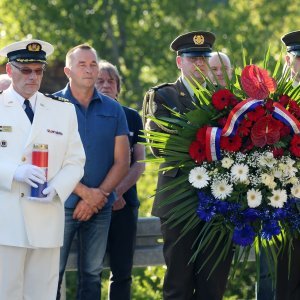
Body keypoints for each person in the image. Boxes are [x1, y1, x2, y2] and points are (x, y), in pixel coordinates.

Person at [143, 31, 234, 300]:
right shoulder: (164, 96)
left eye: (204, 59)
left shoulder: (225, 99)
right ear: (179, 62)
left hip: (219, 202)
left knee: (213, 285)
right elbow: (161, 145)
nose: (199, 65)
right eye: (192, 59)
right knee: (178, 285)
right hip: (179, 200)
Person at [0, 39, 85, 300]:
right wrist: (13, 172)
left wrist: (58, 188)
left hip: (46, 218)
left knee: (43, 295)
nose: (33, 77)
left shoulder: (63, 111)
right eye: (26, 70)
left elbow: (76, 161)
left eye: (38, 70)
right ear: (9, 70)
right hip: (7, 221)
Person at [55, 44, 130, 300]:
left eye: (93, 64)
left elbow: (123, 161)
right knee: (52, 274)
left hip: (101, 207)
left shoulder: (113, 109)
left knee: (92, 276)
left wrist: (99, 195)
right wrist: (84, 193)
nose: (89, 69)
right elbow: (47, 160)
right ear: (68, 70)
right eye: (82, 64)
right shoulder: (51, 106)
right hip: (60, 204)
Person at [96, 60, 146, 300]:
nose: (106, 86)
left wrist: (117, 192)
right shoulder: (83, 116)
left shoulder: (133, 117)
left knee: (122, 273)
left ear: (118, 87)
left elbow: (140, 162)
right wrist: (103, 195)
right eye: (100, 81)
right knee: (90, 271)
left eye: (111, 81)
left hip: (124, 206)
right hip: (91, 204)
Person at [274, 30, 300, 300]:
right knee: (287, 282)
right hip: (285, 204)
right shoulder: (274, 99)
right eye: (299, 57)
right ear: (287, 59)